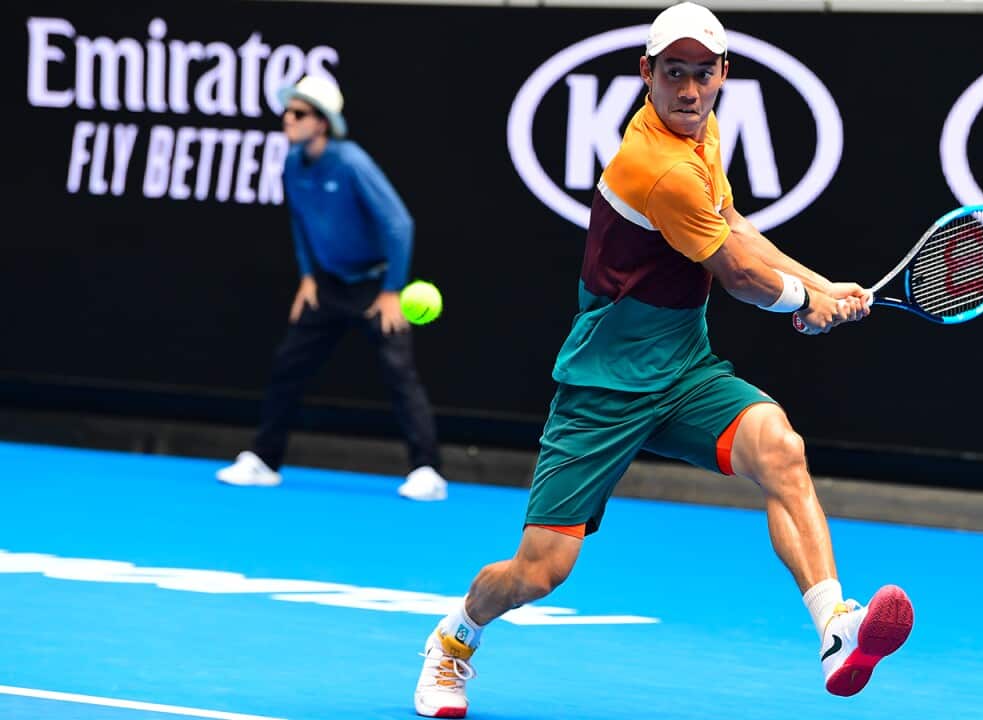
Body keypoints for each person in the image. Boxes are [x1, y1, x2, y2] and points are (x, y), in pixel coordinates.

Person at [410, 3, 913, 715]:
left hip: (681, 368)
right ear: (646, 73)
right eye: (673, 73)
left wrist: (824, 286)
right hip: (603, 386)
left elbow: (735, 227)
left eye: (702, 74)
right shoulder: (658, 167)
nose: (688, 89)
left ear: (721, 77)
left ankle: (836, 626)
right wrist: (805, 301)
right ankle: (453, 641)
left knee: (780, 449)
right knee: (539, 572)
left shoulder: (703, 136)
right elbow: (740, 278)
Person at [215, 75, 448, 502]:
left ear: (323, 123)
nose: (288, 118)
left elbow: (399, 224)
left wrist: (392, 290)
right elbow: (300, 221)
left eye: (299, 113)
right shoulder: (291, 163)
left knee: (398, 373)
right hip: (327, 286)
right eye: (287, 111)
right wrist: (307, 275)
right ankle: (264, 461)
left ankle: (428, 471)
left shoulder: (352, 162)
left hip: (376, 286)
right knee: (288, 363)